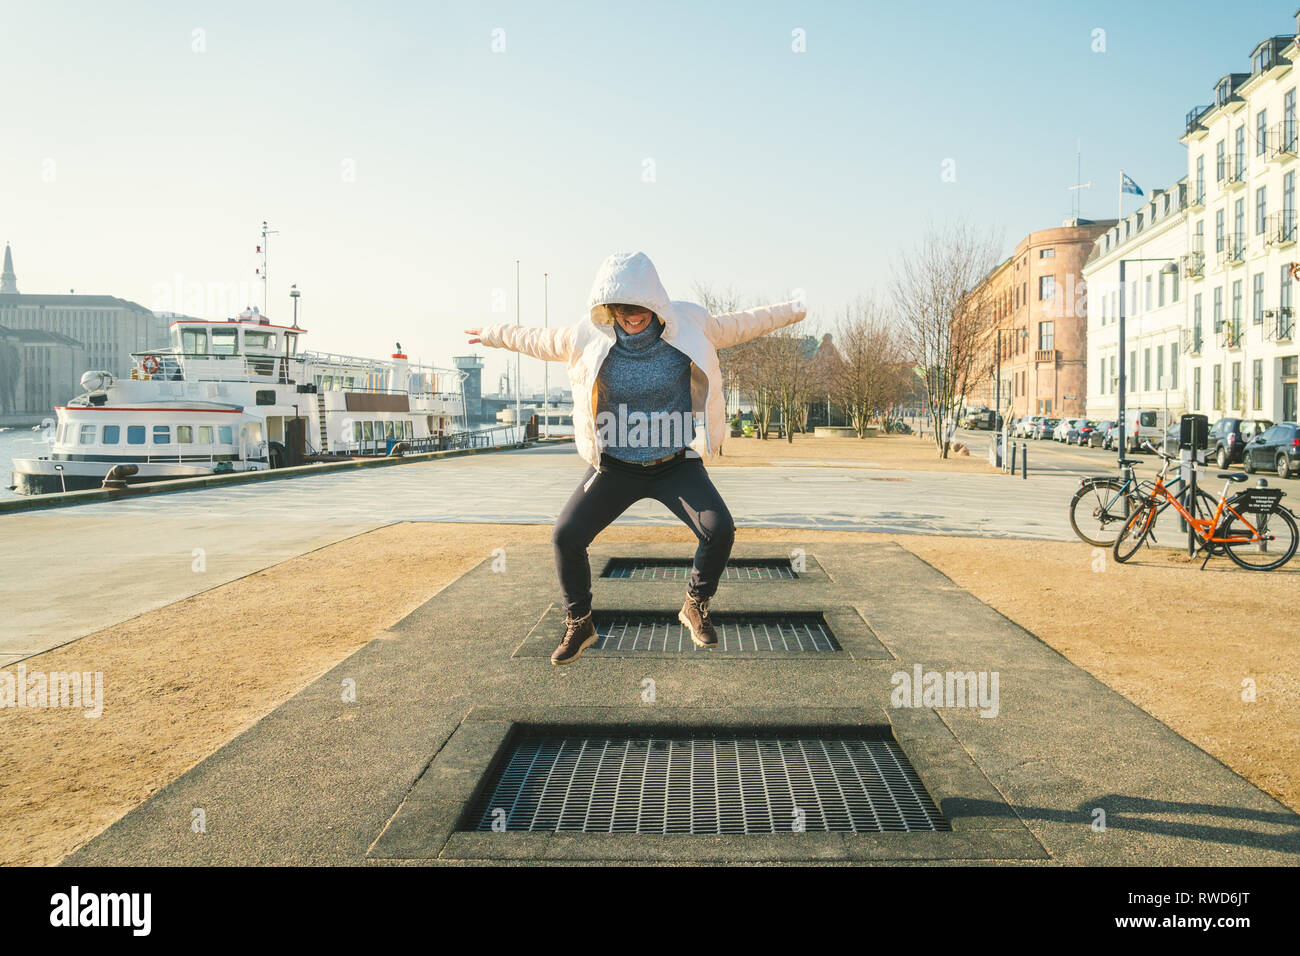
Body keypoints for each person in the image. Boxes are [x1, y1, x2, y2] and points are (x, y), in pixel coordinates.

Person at [466, 251, 805, 664]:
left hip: (675, 464)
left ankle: (695, 603)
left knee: (720, 529)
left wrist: (794, 309)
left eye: (641, 308)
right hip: (615, 468)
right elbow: (537, 340)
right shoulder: (586, 336)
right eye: (623, 310)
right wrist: (493, 333)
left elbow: (745, 322)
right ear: (609, 309)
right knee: (565, 536)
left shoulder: (690, 324)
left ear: (656, 303)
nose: (632, 317)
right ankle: (580, 621)